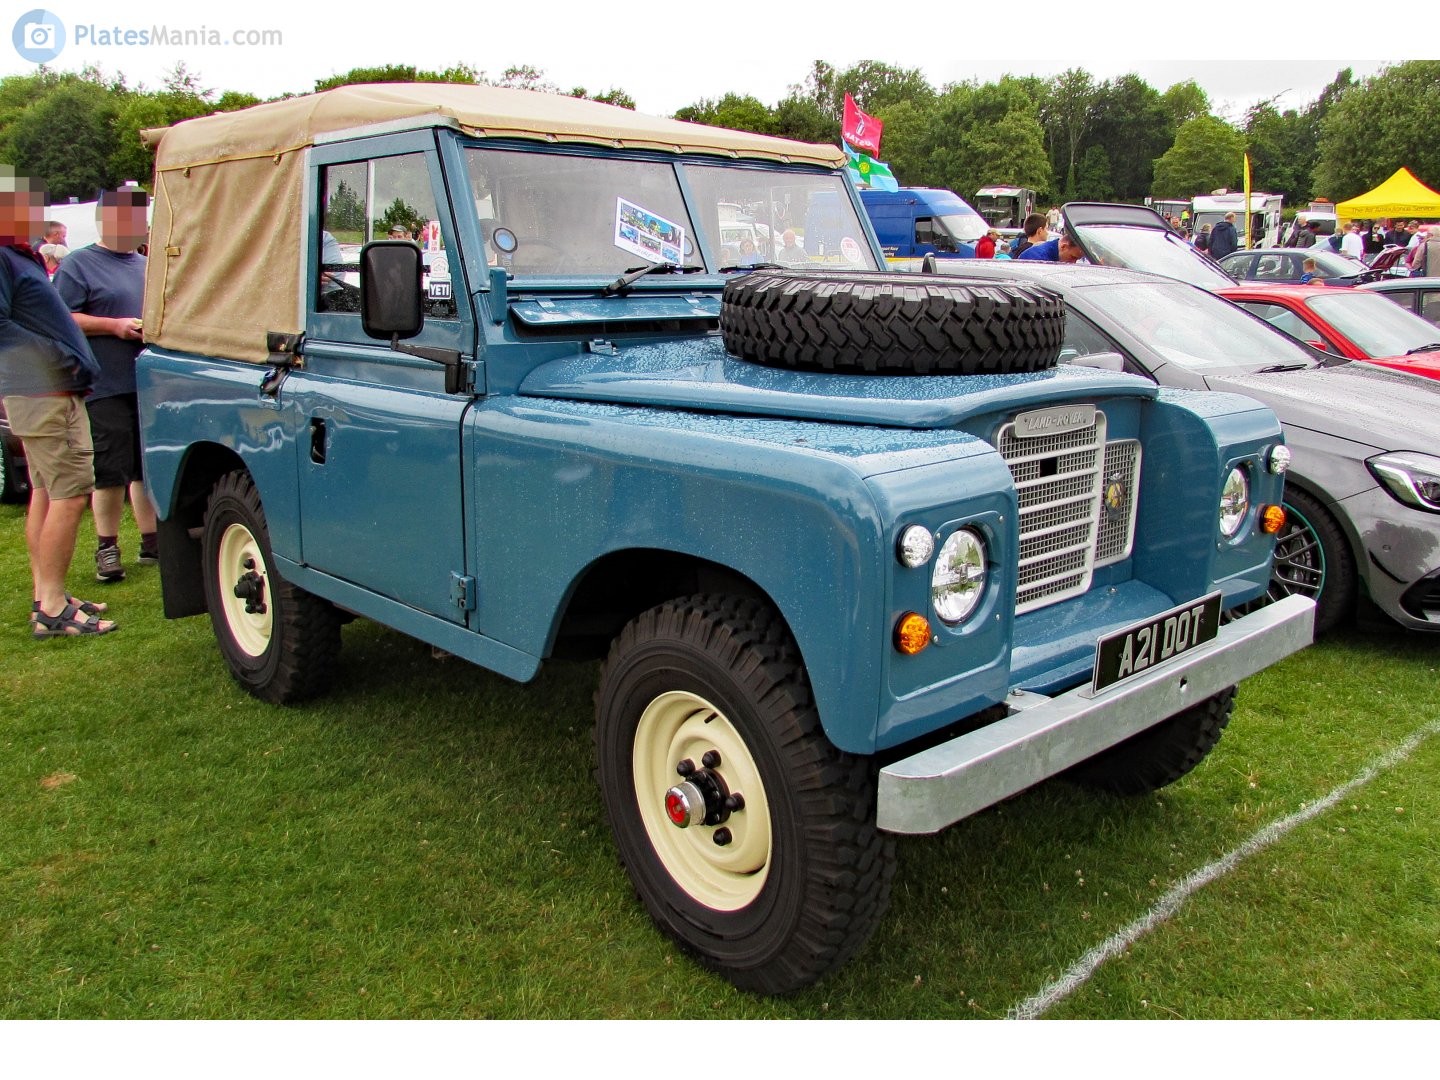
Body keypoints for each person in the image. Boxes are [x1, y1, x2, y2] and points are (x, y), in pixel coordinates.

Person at [0, 167, 115, 636]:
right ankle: (51, 607)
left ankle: (48, 593)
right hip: (44, 393)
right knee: (70, 495)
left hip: (45, 393)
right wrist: (57, 357)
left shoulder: (19, 255)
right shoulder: (4, 257)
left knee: (46, 493)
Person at [53, 187, 156, 583]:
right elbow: (64, 318)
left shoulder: (145, 264)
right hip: (105, 384)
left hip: (146, 382)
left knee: (144, 466)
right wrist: (113, 326)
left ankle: (151, 542)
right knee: (110, 469)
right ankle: (107, 547)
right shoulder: (78, 264)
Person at [1016, 231, 1085, 264]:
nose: (1074, 262)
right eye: (1073, 257)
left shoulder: (1047, 252)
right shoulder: (1039, 259)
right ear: (1063, 246)